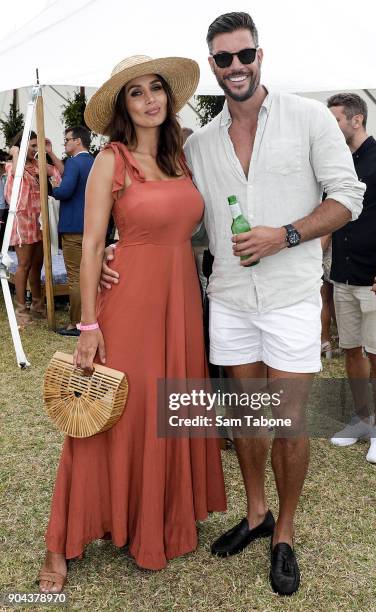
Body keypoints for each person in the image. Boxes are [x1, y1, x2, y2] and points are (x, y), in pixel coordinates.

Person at [101, 13, 365, 596]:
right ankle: (255, 514)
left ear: (260, 55)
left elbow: (348, 197)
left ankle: (285, 533)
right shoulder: (199, 143)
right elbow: (182, 220)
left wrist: (287, 234)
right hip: (229, 301)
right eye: (223, 59)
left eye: (243, 55)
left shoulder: (308, 118)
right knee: (246, 418)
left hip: (293, 296)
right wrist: (113, 250)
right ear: (214, 67)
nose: (236, 67)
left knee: (289, 423)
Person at [38, 55, 226, 594]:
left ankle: (161, 523)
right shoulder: (110, 161)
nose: (150, 100)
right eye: (136, 93)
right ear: (124, 107)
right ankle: (60, 542)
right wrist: (89, 323)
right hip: (132, 304)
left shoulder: (183, 157)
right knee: (110, 414)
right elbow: (93, 243)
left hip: (182, 301)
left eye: (156, 89)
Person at [327, 93, 376, 463]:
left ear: (356, 120)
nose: (331, 127)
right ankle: (360, 420)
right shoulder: (335, 161)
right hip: (342, 274)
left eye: (335, 120)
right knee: (352, 351)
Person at [5, 131, 61, 327]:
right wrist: (15, 155)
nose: (36, 150)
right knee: (24, 264)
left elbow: (58, 175)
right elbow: (13, 198)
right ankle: (21, 308)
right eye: (33, 146)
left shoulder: (37, 165)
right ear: (21, 146)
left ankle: (37, 304)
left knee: (37, 264)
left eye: (38, 146)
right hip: (23, 221)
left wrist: (49, 153)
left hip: (39, 221)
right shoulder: (13, 166)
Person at [52, 126, 94, 337]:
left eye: (67, 139)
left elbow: (65, 191)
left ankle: (77, 323)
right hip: (93, 228)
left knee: (76, 277)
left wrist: (54, 187)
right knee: (91, 275)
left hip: (73, 228)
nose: (65, 143)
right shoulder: (95, 161)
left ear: (78, 141)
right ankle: (92, 318)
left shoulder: (74, 162)